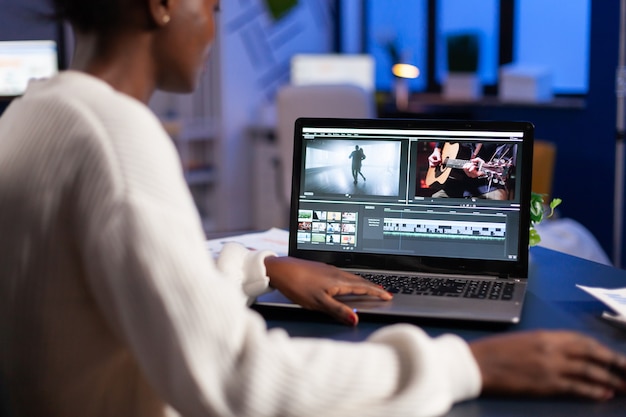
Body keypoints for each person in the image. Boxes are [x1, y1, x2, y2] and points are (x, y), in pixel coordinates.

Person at [1, 1, 625, 416]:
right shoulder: (118, 139)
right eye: (214, 6)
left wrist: (261, 269)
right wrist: (467, 364)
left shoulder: (33, 114)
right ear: (163, 3)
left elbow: (127, 279)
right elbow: (242, 379)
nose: (214, 29)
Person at [427, 141, 514, 200]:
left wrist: (481, 172)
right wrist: (437, 149)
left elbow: (505, 169)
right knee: (434, 202)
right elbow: (444, 130)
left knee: (495, 202)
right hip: (455, 185)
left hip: (486, 186)